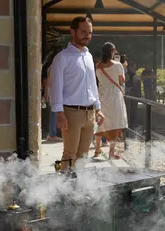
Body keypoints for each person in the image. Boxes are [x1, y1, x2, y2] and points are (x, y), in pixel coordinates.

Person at [49, 16, 105, 170]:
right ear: (72, 32)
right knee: (69, 155)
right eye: (83, 31)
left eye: (90, 32)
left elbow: (93, 84)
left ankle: (78, 191)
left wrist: (98, 108)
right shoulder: (62, 58)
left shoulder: (88, 56)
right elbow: (56, 87)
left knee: (83, 156)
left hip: (90, 113)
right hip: (71, 113)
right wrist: (59, 113)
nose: (87, 35)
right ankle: (64, 190)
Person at [93, 42, 128, 160]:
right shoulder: (118, 65)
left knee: (100, 123)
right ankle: (111, 152)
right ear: (112, 51)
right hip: (114, 97)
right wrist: (124, 68)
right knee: (114, 124)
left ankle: (97, 150)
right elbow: (122, 81)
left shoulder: (98, 66)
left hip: (102, 95)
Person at [42, 45, 63, 142]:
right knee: (54, 113)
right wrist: (46, 94)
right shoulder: (54, 66)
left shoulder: (50, 65)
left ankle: (52, 133)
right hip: (53, 91)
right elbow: (48, 82)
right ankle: (52, 134)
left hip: (51, 91)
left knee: (53, 113)